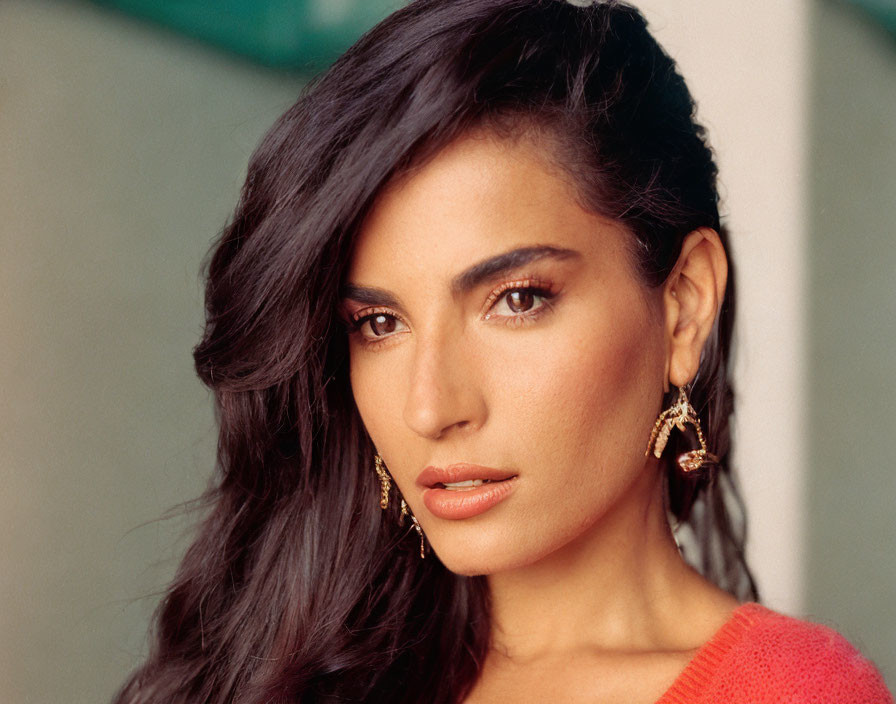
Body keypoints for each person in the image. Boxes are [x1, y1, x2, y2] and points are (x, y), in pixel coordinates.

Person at [114, 1, 894, 702]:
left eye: (517, 299)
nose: (432, 406)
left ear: (683, 306)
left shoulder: (790, 694)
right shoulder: (301, 672)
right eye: (379, 325)